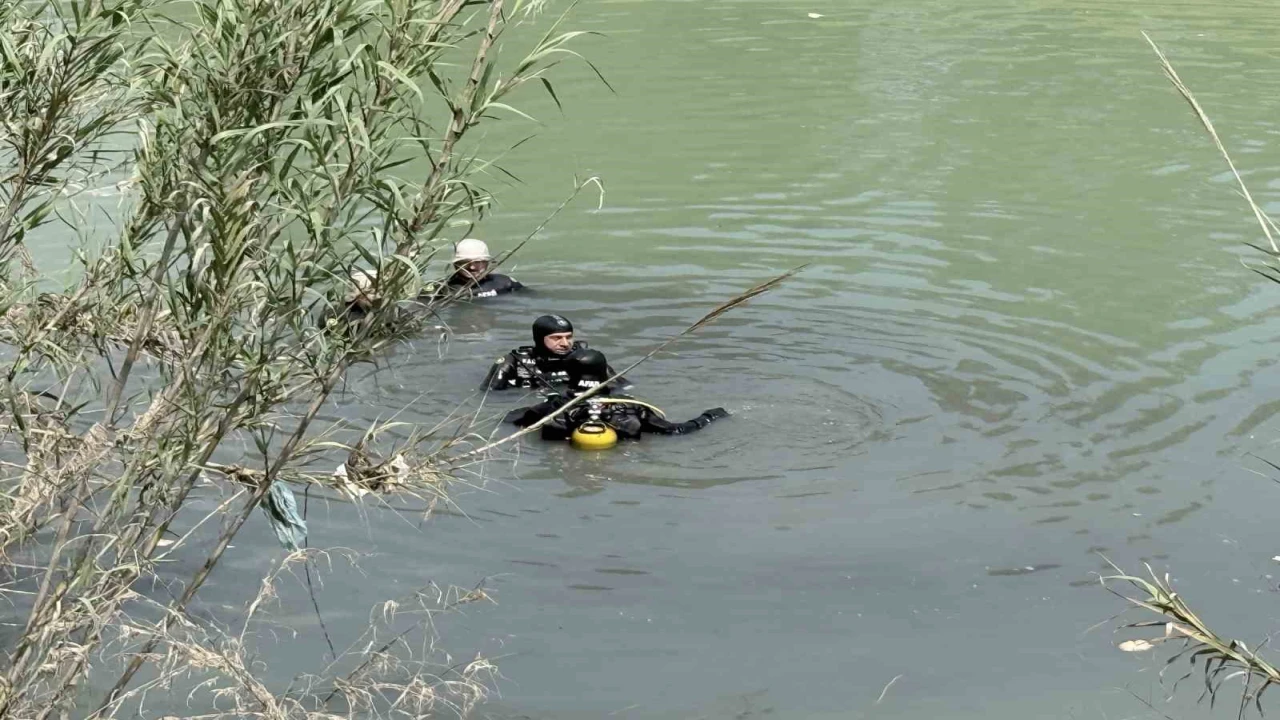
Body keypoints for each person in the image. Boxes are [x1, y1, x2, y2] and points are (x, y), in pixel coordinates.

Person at [504, 348, 728, 441]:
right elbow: (676, 430)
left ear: (569, 374)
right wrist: (710, 416)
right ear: (605, 372)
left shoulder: (552, 407)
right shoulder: (632, 407)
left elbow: (510, 419)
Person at [483, 314, 630, 391]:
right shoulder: (515, 361)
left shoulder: (585, 359)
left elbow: (622, 387)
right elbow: (489, 396)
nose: (565, 343)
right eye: (557, 338)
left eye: (569, 337)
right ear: (539, 339)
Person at [421, 238, 524, 301]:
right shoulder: (439, 289)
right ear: (455, 264)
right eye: (465, 262)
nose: (472, 267)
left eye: (478, 262)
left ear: (487, 263)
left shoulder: (505, 283)